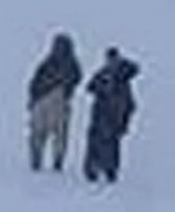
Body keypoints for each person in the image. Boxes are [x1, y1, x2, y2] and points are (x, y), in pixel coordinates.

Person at [83, 47, 141, 185]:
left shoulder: (123, 77)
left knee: (112, 143)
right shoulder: (103, 73)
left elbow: (130, 103)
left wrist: (125, 120)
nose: (110, 62)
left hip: (115, 116)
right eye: (109, 59)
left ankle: (110, 171)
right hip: (100, 113)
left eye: (113, 59)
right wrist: (101, 86)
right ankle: (93, 170)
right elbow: (90, 87)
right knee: (95, 141)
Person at [25, 32, 82, 172]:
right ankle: (42, 160)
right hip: (46, 101)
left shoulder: (68, 64)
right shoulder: (48, 63)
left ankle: (52, 161)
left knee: (54, 134)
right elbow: (34, 83)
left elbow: (75, 79)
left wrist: (33, 99)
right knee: (43, 133)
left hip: (56, 100)